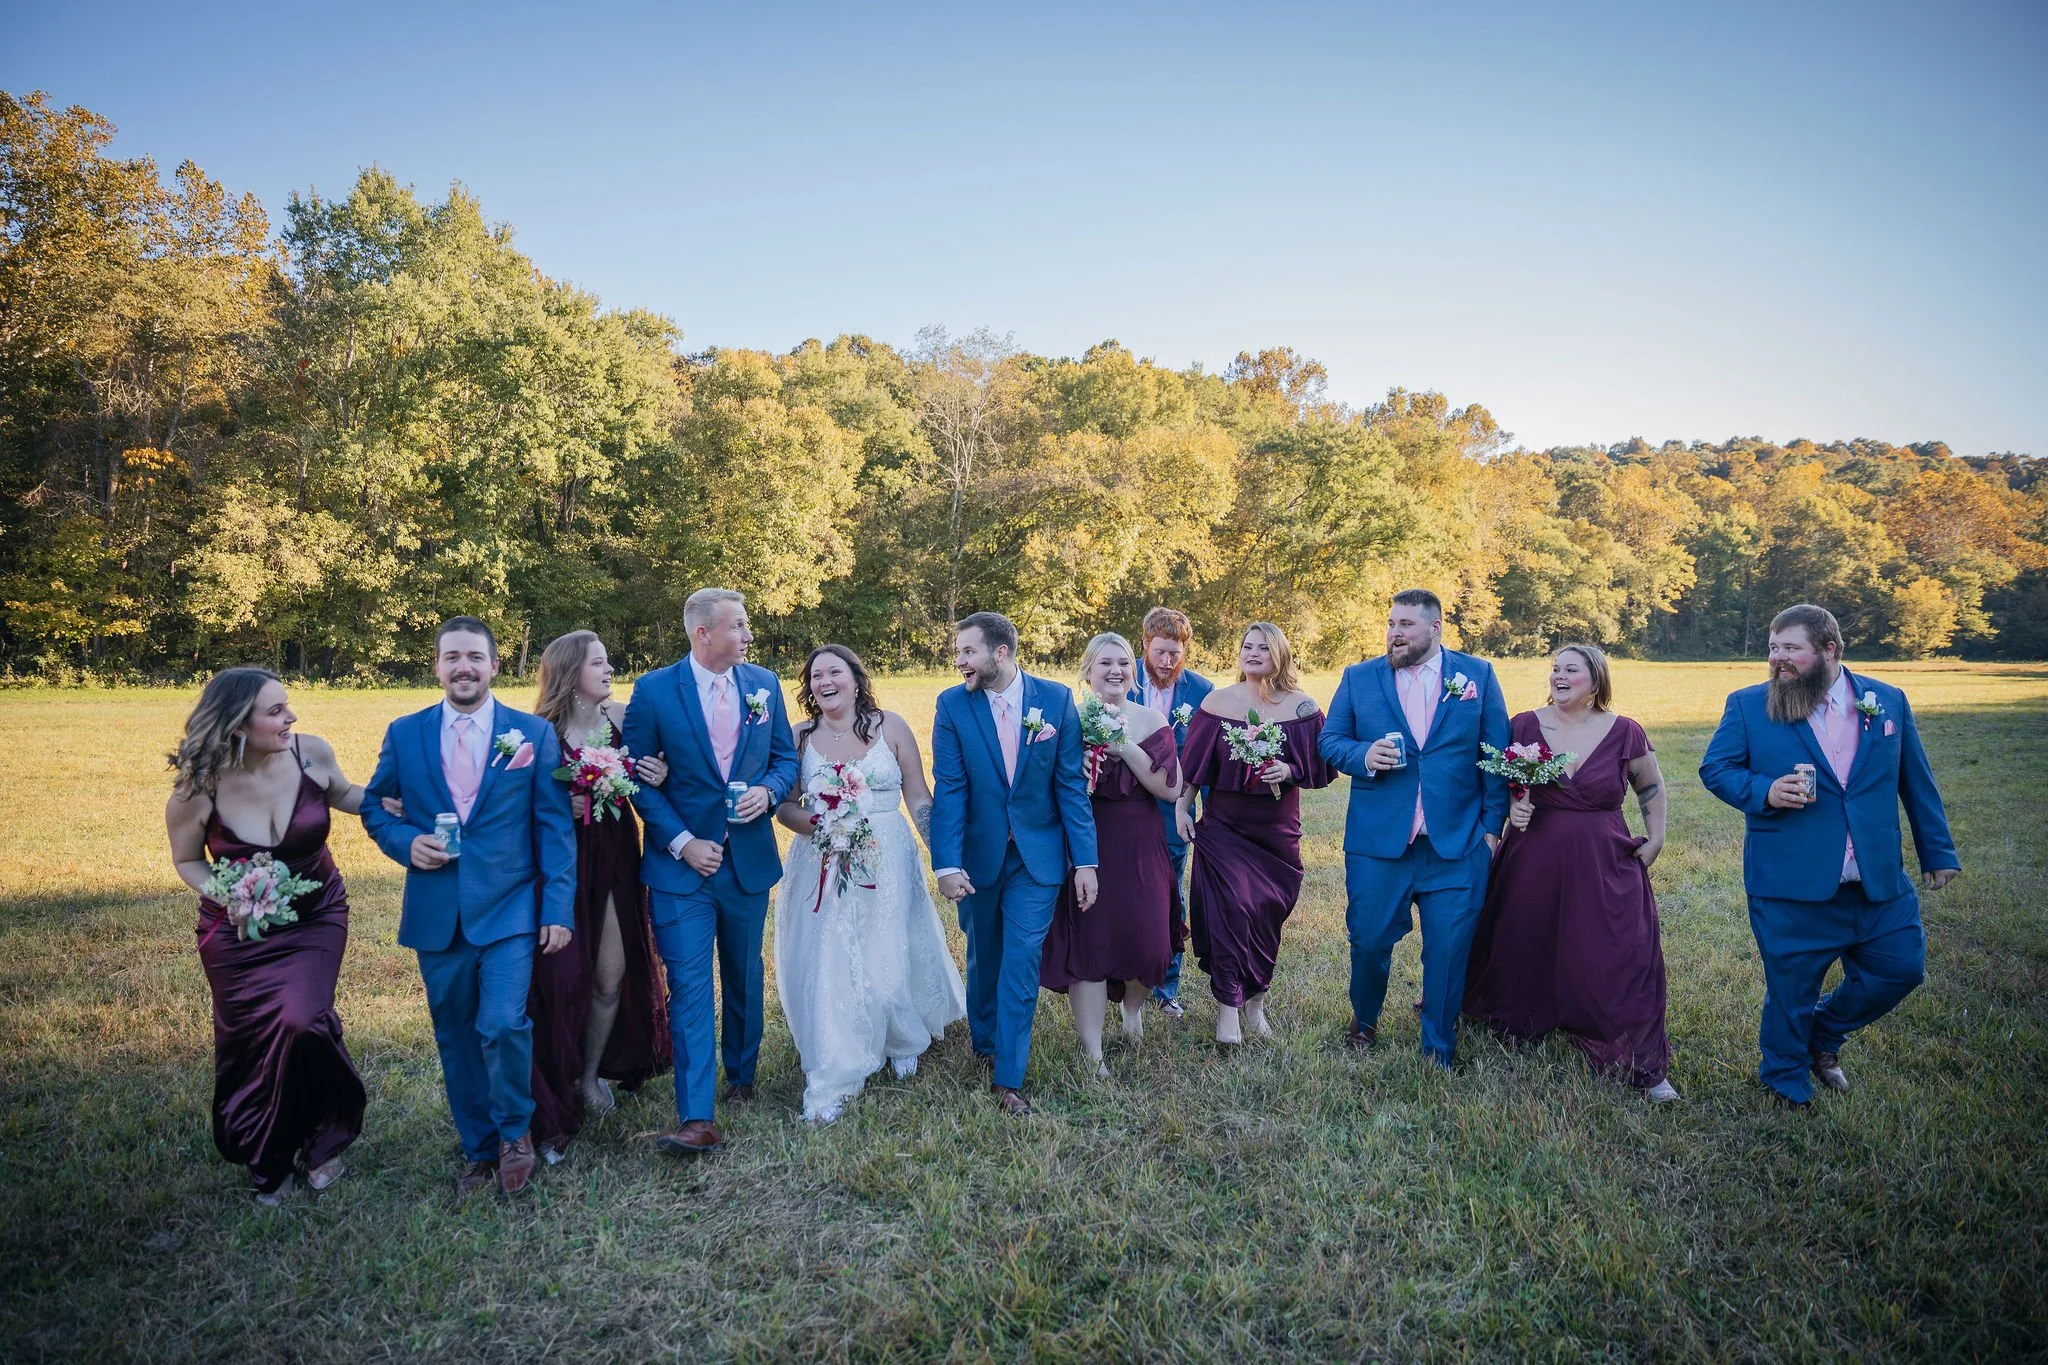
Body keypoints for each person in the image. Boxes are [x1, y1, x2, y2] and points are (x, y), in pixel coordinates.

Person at [1699, 603, 1959, 1108]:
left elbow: (1916, 781)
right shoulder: (1750, 705)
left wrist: (1937, 850)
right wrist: (1765, 791)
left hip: (1877, 877)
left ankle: (1822, 1033)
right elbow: (1717, 768)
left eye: (1791, 649)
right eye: (1773, 649)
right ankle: (1784, 1082)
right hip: (1790, 880)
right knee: (1791, 990)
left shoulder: (1886, 701)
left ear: (1829, 650)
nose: (1778, 659)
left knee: (1901, 969)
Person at [362, 617, 576, 1197]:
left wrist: (557, 907)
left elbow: (554, 827)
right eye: (452, 657)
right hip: (437, 910)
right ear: (436, 665)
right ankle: (478, 1148)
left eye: (475, 658)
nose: (464, 667)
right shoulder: (405, 733)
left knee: (503, 1022)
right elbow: (377, 808)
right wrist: (407, 843)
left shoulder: (529, 733)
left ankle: (514, 1133)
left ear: (494, 666)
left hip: (511, 905)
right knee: (455, 1033)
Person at [165, 669, 371, 1206]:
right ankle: (269, 1154)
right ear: (238, 723)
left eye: (288, 707)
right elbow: (188, 861)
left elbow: (344, 793)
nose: (291, 718)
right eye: (276, 711)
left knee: (302, 1020)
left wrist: (397, 805)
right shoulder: (198, 788)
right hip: (236, 933)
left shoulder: (310, 753)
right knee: (253, 1041)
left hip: (316, 914)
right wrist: (229, 895)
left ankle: (326, 1136)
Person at [622, 588, 799, 1155]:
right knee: (692, 988)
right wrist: (680, 842)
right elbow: (636, 779)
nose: (749, 635)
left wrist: (769, 793)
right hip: (681, 870)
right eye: (740, 626)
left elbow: (785, 759)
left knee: (744, 975)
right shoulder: (652, 691)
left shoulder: (764, 685)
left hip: (746, 861)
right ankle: (697, 1115)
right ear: (703, 633)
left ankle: (742, 1075)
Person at [1462, 644, 1678, 1101]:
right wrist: (1516, 807)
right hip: (1534, 854)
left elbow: (1651, 785)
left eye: (1571, 670)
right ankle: (1526, 1011)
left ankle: (1631, 1047)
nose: (1559, 676)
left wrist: (1656, 836)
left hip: (1602, 857)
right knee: (1525, 936)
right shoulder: (1524, 724)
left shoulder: (1624, 731)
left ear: (1595, 681)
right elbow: (1501, 782)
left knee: (1615, 946)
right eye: (1555, 669)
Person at [772, 644, 966, 1122]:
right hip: (823, 854)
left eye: (834, 671)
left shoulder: (891, 726)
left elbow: (918, 797)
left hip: (888, 855)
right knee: (831, 953)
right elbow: (786, 806)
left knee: (888, 942)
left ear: (856, 678)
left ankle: (900, 1034)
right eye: (815, 675)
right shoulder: (799, 736)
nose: (824, 681)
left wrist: (943, 859)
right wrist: (824, 823)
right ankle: (837, 1054)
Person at [1319, 589, 1508, 1067]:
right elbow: (1330, 740)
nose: (1394, 633)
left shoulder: (1477, 676)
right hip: (1380, 843)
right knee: (1368, 939)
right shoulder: (1359, 678)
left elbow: (1495, 755)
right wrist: (1362, 756)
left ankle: (1438, 1047)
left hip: (1459, 842)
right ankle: (1364, 1021)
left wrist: (1491, 828)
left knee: (1447, 950)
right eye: (1390, 623)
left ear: (1436, 628)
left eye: (1406, 624)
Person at [930, 611, 1099, 1115]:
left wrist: (1085, 861)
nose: (959, 660)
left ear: (999, 653)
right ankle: (984, 1040)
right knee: (985, 954)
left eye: (968, 652)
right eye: (958, 652)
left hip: (1037, 858)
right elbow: (951, 789)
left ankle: (1009, 1078)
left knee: (1022, 958)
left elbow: (1070, 785)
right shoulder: (952, 706)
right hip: (979, 855)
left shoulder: (1055, 700)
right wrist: (946, 864)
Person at [524, 631, 674, 1162]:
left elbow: (645, 780)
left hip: (614, 858)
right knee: (564, 981)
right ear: (570, 672)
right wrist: (557, 807)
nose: (610, 669)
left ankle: (590, 1076)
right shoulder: (541, 732)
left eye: (609, 661)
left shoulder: (623, 719)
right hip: (561, 866)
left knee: (611, 975)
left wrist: (653, 772)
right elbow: (523, 804)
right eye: (598, 662)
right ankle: (556, 1082)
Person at [1176, 622, 1333, 1046]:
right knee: (1232, 913)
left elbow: (1324, 767)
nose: (1253, 652)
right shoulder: (1217, 703)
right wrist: (1180, 808)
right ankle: (1227, 1011)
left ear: (1279, 654)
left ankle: (1256, 1004)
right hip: (1225, 828)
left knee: (1266, 916)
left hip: (1277, 836)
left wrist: (1291, 770)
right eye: (1247, 646)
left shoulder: (1302, 709)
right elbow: (1196, 767)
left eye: (1263, 647)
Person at [1042, 632, 1184, 1072]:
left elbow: (1170, 787)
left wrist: (1125, 748)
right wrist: (1074, 767)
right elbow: (1044, 786)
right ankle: (1092, 1052)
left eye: (1123, 662)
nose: (1116, 671)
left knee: (1151, 942)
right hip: (1088, 844)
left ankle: (1132, 1010)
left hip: (1141, 842)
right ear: (1088, 672)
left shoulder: (1152, 721)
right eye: (1105, 663)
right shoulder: (1069, 720)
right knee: (1092, 943)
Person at [1129, 606, 1212, 1018]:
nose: (1166, 661)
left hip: (1173, 809)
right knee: (1124, 894)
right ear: (1144, 644)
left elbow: (1210, 760)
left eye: (1174, 654)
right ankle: (1123, 981)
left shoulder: (1202, 692)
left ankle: (1165, 988)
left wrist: (1209, 818)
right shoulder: (1120, 684)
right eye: (1159, 652)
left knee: (1168, 895)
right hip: (1123, 808)